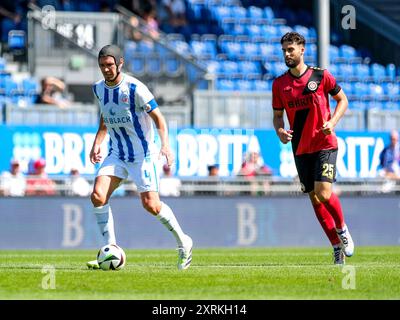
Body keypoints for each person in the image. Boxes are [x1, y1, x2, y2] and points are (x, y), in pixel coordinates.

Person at [87, 44, 192, 270]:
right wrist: (97, 143)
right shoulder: (98, 89)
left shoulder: (135, 88)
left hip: (142, 155)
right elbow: (105, 118)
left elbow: (159, 119)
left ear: (120, 63)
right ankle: (110, 249)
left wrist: (166, 145)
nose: (105, 70)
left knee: (151, 205)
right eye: (102, 66)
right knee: (97, 195)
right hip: (116, 153)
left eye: (109, 65)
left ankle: (184, 241)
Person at [272, 32, 354, 265]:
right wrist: (280, 131)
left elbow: (343, 100)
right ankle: (336, 247)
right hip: (300, 148)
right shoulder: (279, 84)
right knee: (315, 200)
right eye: (284, 50)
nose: (287, 54)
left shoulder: (321, 75)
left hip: (324, 144)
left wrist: (332, 122)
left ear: (302, 50)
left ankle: (342, 229)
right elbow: (277, 117)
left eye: (291, 50)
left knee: (324, 193)